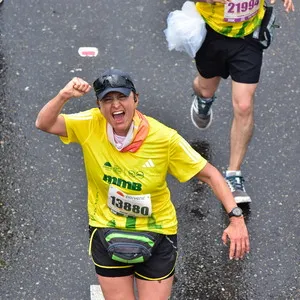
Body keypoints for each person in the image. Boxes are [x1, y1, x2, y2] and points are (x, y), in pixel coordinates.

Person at [35, 69, 250, 300]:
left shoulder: (163, 138)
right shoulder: (89, 124)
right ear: (99, 105)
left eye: (122, 97)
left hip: (157, 231)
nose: (115, 105)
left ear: (135, 99)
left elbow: (210, 175)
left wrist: (236, 218)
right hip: (106, 228)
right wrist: (63, 95)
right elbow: (44, 123)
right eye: (107, 99)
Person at [190, 0, 294, 203]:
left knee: (244, 105)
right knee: (205, 87)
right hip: (212, 32)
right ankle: (203, 99)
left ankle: (233, 174)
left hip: (249, 34)